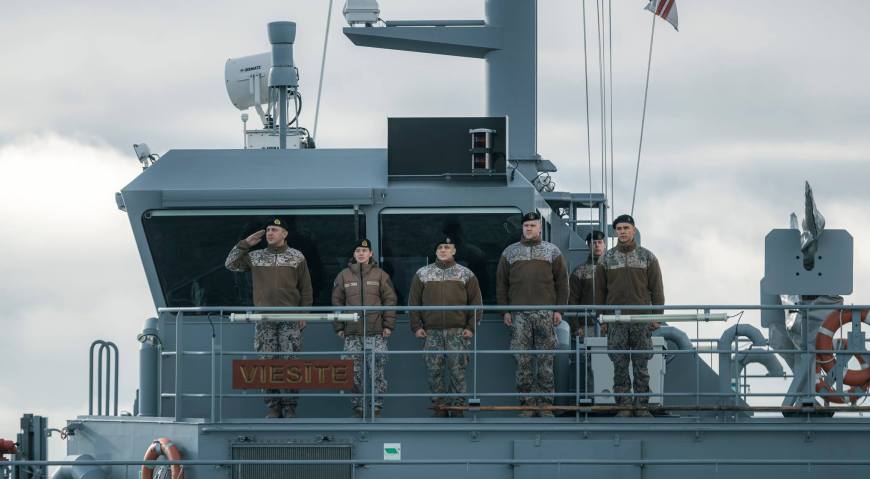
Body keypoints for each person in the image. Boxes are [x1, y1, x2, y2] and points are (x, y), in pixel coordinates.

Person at [225, 218, 313, 418]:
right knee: (266, 362)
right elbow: (230, 264)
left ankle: (289, 407)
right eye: (268, 230)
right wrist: (245, 244)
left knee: (290, 363)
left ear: (284, 234)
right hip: (264, 318)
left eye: (274, 230)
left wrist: (304, 313)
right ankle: (273, 407)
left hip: (289, 317)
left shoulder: (297, 257)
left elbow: (306, 288)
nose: (270, 233)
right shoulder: (256, 256)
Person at [496, 211, 569, 417]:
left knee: (546, 361)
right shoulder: (509, 252)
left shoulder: (552, 251)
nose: (529, 228)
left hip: (545, 313)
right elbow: (501, 284)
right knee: (522, 360)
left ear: (540, 228)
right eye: (526, 225)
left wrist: (559, 310)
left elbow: (562, 283)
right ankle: (527, 404)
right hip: (519, 314)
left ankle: (545, 405)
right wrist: (505, 310)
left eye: (532, 225)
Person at [594, 214, 664, 417]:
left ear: (633, 230)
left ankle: (641, 406)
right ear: (615, 232)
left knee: (642, 364)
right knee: (619, 364)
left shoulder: (647, 257)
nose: (623, 232)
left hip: (641, 319)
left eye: (626, 228)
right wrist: (602, 318)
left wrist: (656, 316)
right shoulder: (606, 259)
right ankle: (624, 405)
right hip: (615, 320)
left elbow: (657, 290)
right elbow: (600, 292)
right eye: (619, 229)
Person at [408, 237, 483, 418]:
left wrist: (471, 327)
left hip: (458, 332)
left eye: (447, 247)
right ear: (436, 251)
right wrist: (416, 326)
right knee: (434, 371)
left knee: (458, 371)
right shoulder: (422, 274)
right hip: (431, 332)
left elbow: (476, 303)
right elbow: (413, 302)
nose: (443, 250)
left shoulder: (466, 274)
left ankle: (457, 408)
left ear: (454, 251)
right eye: (440, 247)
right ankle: (439, 408)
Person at [332, 238, 398, 417]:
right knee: (352, 373)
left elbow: (390, 301)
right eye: (358, 251)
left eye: (364, 251)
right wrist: (339, 326)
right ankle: (358, 408)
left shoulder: (381, 275)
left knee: (377, 373)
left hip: (376, 333)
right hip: (352, 333)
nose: (361, 253)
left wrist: (388, 325)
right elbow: (336, 302)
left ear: (371, 254)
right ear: (354, 254)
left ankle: (376, 408)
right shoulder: (343, 275)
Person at [568, 230, 608, 399]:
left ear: (604, 244)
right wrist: (576, 327)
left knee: (614, 363)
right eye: (593, 243)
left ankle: (613, 400)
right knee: (590, 366)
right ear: (588, 246)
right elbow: (572, 301)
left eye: (599, 242)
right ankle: (593, 400)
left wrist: (610, 322)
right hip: (588, 328)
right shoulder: (580, 272)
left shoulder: (614, 269)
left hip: (611, 325)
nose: (596, 245)